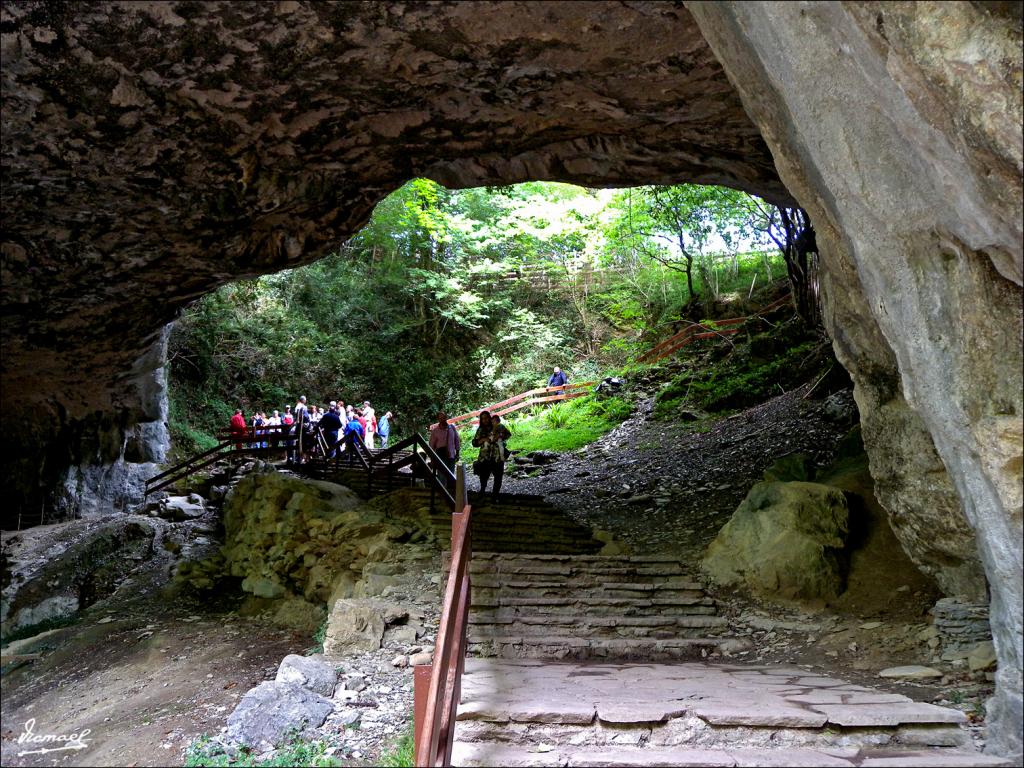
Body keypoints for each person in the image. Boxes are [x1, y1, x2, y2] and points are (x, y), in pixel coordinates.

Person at [472, 410, 511, 500]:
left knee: (498, 477)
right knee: (483, 476)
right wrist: (483, 440)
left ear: (490, 418)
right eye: (483, 419)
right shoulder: (481, 429)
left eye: (486, 418)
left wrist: (500, 435)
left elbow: (508, 434)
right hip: (485, 457)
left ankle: (494, 496)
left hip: (497, 456)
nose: (485, 420)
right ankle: (482, 493)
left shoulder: (498, 426)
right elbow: (474, 443)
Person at [429, 411, 460, 476]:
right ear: (438, 419)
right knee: (441, 475)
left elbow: (457, 441)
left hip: (451, 455)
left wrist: (457, 453)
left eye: (444, 417)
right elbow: (431, 445)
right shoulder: (435, 431)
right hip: (440, 456)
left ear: (446, 417)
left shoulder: (452, 428)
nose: (442, 419)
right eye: (440, 418)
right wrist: (432, 459)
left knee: (451, 475)